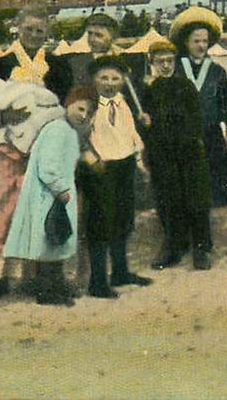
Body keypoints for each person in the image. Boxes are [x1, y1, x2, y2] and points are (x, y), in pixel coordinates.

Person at [0, 8, 71, 298]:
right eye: (28, 29)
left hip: (46, 143)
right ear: (17, 28)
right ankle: (2, 278)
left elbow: (66, 104)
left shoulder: (58, 65)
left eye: (39, 30)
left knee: (46, 205)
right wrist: (2, 117)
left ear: (47, 33)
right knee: (4, 208)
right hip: (7, 146)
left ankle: (46, 278)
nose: (33, 35)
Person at [4, 86, 97, 306]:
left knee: (57, 239)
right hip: (48, 193)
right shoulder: (58, 130)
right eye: (80, 108)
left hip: (56, 192)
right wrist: (60, 189)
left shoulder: (68, 129)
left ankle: (57, 282)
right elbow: (48, 166)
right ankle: (47, 289)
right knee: (49, 241)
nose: (83, 115)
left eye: (88, 112)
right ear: (69, 104)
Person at [78, 55, 153, 298]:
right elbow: (78, 136)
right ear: (94, 79)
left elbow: (130, 133)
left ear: (123, 80)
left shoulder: (123, 103)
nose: (109, 83)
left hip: (124, 164)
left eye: (115, 78)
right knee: (100, 224)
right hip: (101, 168)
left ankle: (120, 272)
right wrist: (91, 159)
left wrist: (139, 159)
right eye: (104, 78)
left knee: (122, 219)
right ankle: (97, 281)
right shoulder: (87, 105)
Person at [139, 40, 214, 271]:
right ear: (152, 62)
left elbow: (196, 118)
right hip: (162, 153)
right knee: (168, 200)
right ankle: (173, 247)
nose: (165, 66)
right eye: (160, 61)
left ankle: (201, 248)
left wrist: (188, 140)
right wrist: (144, 123)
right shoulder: (147, 90)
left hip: (189, 152)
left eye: (169, 61)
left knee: (196, 200)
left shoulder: (185, 85)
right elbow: (142, 125)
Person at [170, 6, 227, 209]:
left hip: (211, 132)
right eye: (196, 41)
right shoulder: (176, 69)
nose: (201, 46)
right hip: (184, 133)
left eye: (204, 41)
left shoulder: (217, 71)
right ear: (186, 42)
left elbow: (225, 103)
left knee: (217, 178)